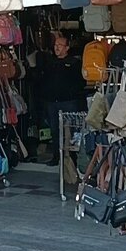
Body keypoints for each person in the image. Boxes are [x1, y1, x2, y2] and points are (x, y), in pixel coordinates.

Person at [34, 31, 86, 166]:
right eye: (55, 45)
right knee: (55, 130)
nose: (57, 47)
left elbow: (81, 82)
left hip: (69, 102)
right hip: (52, 102)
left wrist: (72, 93)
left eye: (60, 45)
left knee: (72, 131)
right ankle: (57, 157)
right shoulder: (50, 62)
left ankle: (73, 159)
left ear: (67, 48)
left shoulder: (74, 63)